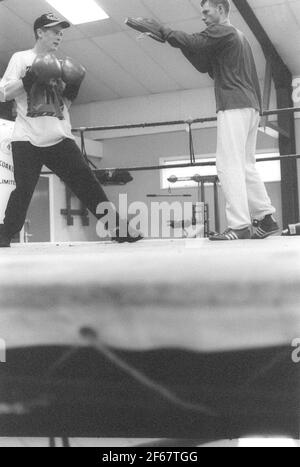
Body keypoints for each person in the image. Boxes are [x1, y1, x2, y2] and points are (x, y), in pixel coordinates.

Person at [0, 13, 142, 248]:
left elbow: (63, 106)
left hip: (59, 136)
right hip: (26, 137)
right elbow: (3, 93)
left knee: (87, 184)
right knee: (23, 190)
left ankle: (119, 229)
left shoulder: (61, 64)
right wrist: (29, 79)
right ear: (40, 32)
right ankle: (4, 234)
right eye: (55, 31)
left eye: (61, 32)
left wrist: (73, 87)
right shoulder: (21, 58)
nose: (60, 35)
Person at [146, 0, 279, 241]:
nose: (203, 17)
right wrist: (179, 44)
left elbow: (196, 42)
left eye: (206, 12)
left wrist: (166, 32)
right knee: (246, 165)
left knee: (228, 165)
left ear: (220, 9)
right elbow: (202, 63)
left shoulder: (224, 30)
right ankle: (267, 218)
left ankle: (239, 225)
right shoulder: (238, 37)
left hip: (234, 104)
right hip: (251, 107)